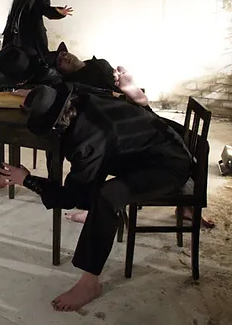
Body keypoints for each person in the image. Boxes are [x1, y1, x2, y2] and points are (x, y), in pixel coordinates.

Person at [0, 83, 193, 311]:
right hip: (154, 147)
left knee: (107, 197)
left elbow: (70, 197)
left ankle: (89, 283)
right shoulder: (84, 100)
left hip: (168, 166)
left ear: (54, 125)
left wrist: (27, 180)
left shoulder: (88, 142)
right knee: (93, 185)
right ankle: (95, 215)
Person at [48, 42, 214, 228]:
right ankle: (94, 207)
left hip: (139, 116)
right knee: (100, 149)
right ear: (61, 72)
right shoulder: (74, 86)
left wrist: (126, 88)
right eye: (60, 61)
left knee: (201, 145)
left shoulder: (100, 63)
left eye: (64, 53)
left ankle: (190, 205)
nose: (65, 57)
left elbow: (122, 89)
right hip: (119, 127)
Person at [0, 45, 62, 193]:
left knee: (53, 132)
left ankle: (52, 184)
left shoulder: (46, 70)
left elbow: (58, 94)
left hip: (40, 116)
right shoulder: (5, 66)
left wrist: (32, 93)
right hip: (12, 112)